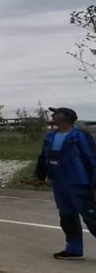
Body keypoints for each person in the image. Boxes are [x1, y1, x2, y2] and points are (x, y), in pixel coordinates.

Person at [39, 107, 96, 260]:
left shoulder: (80, 136)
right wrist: (41, 172)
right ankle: (74, 249)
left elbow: (91, 158)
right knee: (67, 217)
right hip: (59, 183)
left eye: (56, 113)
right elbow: (44, 156)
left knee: (91, 217)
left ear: (67, 117)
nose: (52, 115)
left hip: (79, 183)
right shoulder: (50, 136)